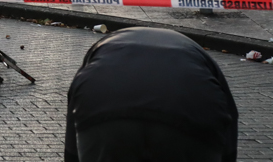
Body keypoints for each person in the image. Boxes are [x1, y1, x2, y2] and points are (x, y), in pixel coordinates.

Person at [64, 27, 237, 162]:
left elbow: (72, 143)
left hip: (102, 107)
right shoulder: (200, 58)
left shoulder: (96, 56)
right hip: (189, 107)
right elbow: (230, 118)